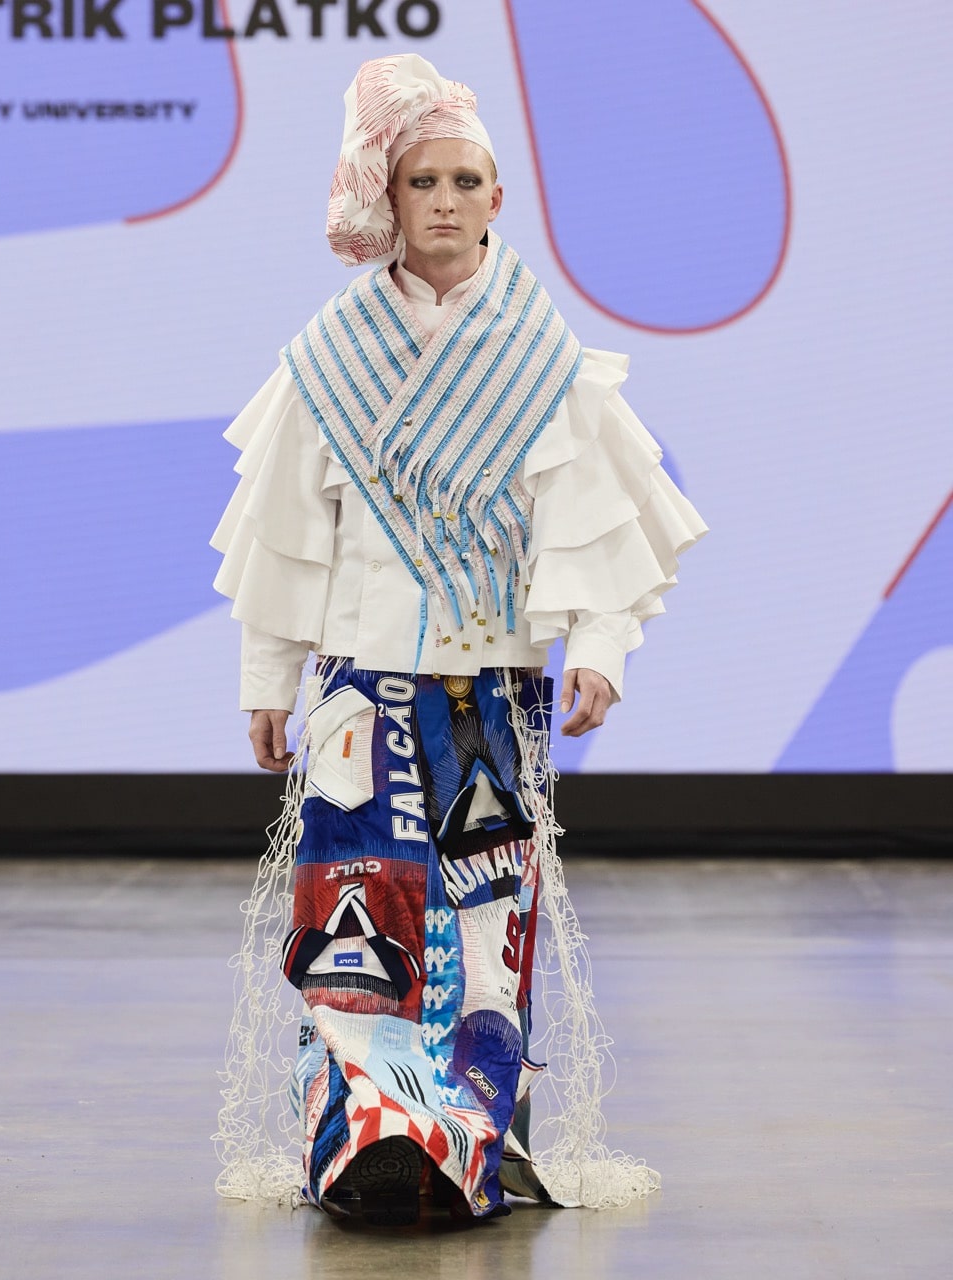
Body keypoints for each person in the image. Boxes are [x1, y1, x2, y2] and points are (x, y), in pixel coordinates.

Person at [211, 54, 706, 1227]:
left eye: (465, 179)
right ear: (387, 196)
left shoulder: (546, 365)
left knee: (487, 930)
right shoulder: (327, 361)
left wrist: (600, 646)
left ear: (498, 199)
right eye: (420, 177)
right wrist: (265, 676)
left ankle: (470, 1148)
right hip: (354, 700)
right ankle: (363, 1144)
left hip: (486, 693)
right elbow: (289, 531)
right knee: (357, 924)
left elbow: (600, 526)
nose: (441, 199)